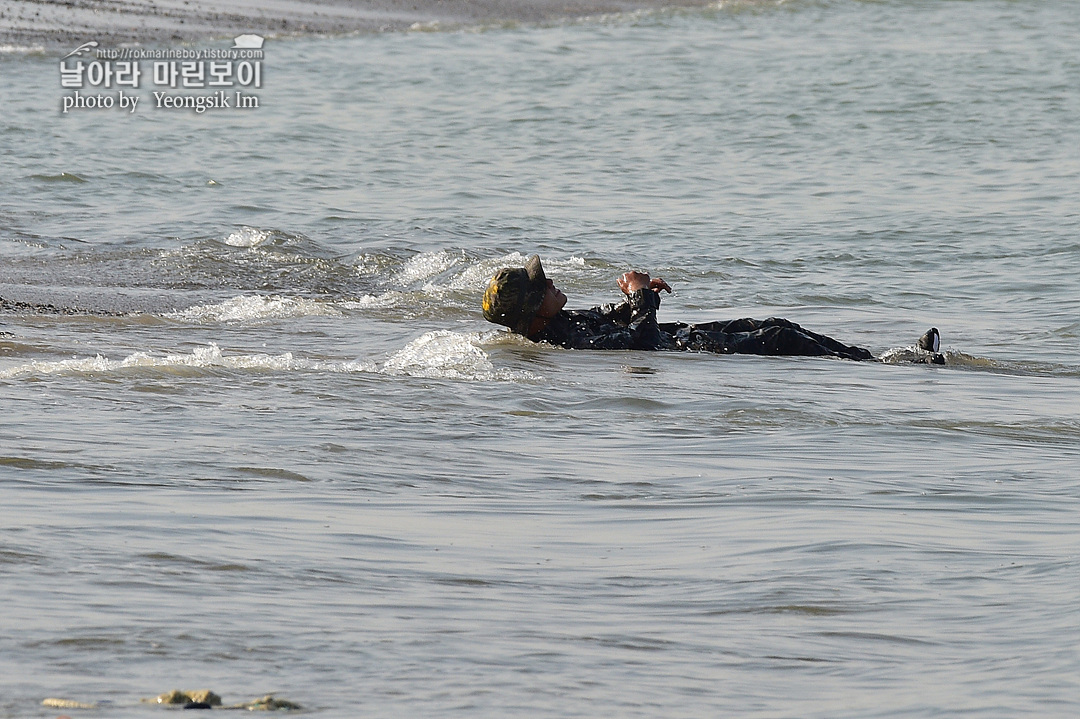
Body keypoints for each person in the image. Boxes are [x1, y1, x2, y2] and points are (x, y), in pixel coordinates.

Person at [481, 255, 944, 363]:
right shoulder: (559, 339)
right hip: (690, 348)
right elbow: (639, 344)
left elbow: (612, 319)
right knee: (779, 339)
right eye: (542, 286)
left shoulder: (556, 322)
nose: (552, 282)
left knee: (777, 324)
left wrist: (637, 295)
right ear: (532, 311)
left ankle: (883, 359)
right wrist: (640, 301)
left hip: (688, 333)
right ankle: (894, 367)